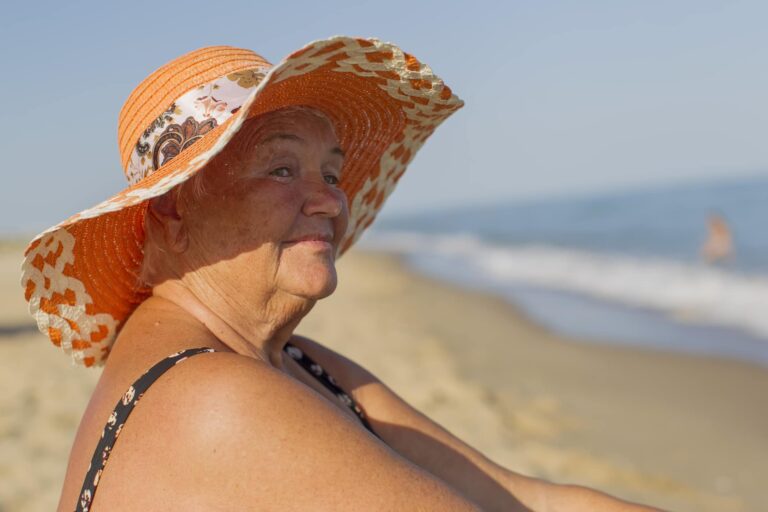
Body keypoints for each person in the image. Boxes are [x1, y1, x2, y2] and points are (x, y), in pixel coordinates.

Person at [21, 38, 660, 511]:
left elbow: (526, 499)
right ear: (174, 210)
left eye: (330, 173)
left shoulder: (287, 359)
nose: (330, 200)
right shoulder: (212, 396)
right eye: (280, 170)